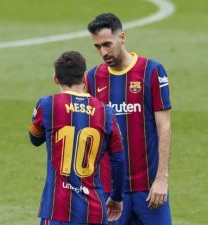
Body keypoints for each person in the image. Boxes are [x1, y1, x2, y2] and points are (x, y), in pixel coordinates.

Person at [86, 13, 172, 225]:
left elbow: (164, 127)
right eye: (97, 47)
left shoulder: (151, 71)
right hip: (110, 191)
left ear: (122, 37)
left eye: (107, 44)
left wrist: (162, 179)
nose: (103, 52)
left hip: (150, 189)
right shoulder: (92, 78)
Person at [29, 51, 126, 225]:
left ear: (55, 78)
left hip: (57, 209)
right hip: (94, 211)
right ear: (84, 77)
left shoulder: (47, 104)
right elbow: (118, 160)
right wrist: (117, 197)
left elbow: (34, 138)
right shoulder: (106, 112)